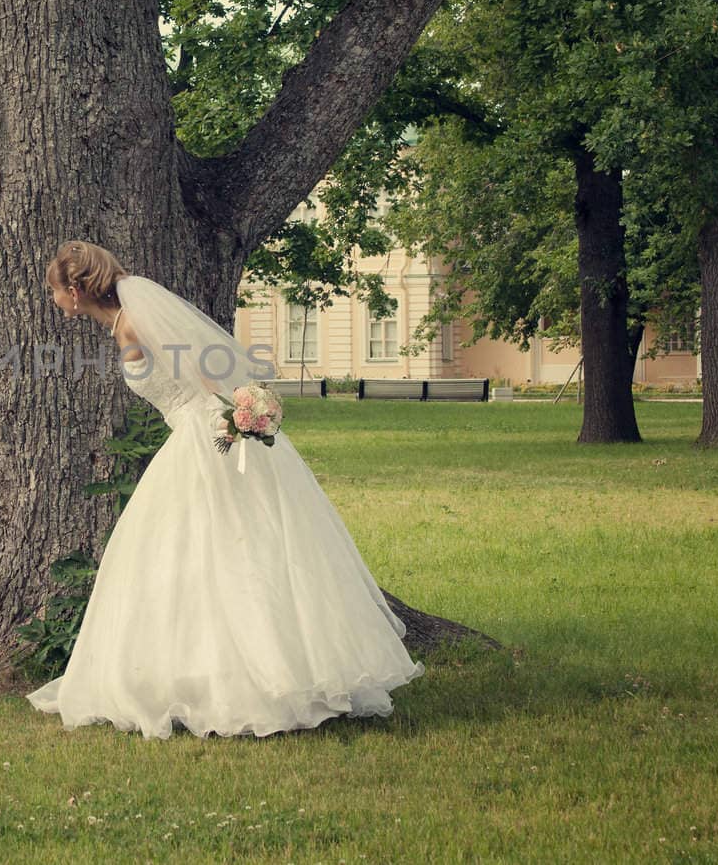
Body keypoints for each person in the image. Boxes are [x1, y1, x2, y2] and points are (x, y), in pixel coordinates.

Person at [27, 241, 422, 738]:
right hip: (194, 436)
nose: (54, 300)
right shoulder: (124, 321)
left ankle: (250, 679)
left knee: (219, 552)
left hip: (203, 439)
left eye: (53, 290)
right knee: (211, 554)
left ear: (76, 289)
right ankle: (221, 672)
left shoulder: (132, 323)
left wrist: (237, 415)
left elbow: (203, 376)